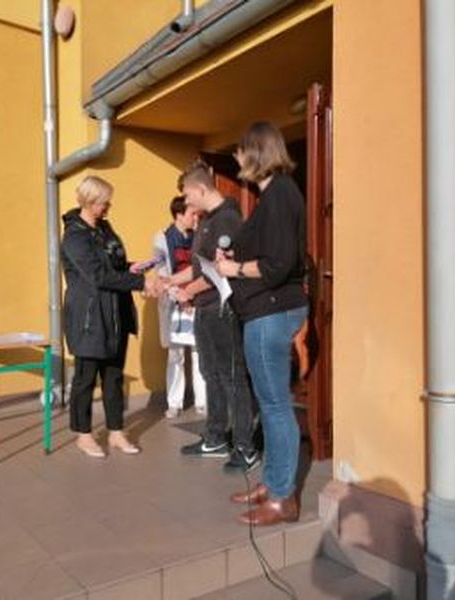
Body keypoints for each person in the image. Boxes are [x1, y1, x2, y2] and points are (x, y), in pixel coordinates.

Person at [216, 122, 309, 525]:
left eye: (240, 151)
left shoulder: (280, 195)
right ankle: (273, 484)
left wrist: (233, 268)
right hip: (266, 311)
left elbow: (277, 264)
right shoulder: (274, 196)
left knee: (274, 406)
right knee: (271, 404)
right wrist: (231, 261)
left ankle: (283, 497)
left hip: (270, 313)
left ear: (255, 153)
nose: (237, 158)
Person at [164, 161, 259, 473]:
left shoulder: (228, 220)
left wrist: (188, 291)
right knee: (211, 373)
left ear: (201, 189)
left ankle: (245, 447)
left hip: (222, 310)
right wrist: (168, 281)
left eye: (188, 195)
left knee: (232, 376)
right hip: (205, 311)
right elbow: (199, 267)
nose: (187, 202)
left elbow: (220, 272)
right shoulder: (208, 222)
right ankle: (216, 438)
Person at [61, 175, 148, 458]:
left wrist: (132, 268)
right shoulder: (74, 236)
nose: (108, 206)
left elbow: (114, 266)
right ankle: (83, 435)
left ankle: (116, 432)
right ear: (89, 202)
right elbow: (98, 276)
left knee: (113, 376)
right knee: (85, 379)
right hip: (89, 318)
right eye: (104, 202)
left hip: (115, 313)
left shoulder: (104, 228)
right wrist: (141, 283)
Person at [153, 196, 207, 419]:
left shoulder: (199, 237)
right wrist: (181, 298)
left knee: (199, 352)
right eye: (192, 214)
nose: (196, 218)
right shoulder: (162, 239)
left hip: (196, 300)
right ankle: (174, 402)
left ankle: (202, 401)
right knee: (175, 355)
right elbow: (162, 273)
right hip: (174, 302)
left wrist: (192, 295)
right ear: (179, 215)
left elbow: (203, 268)